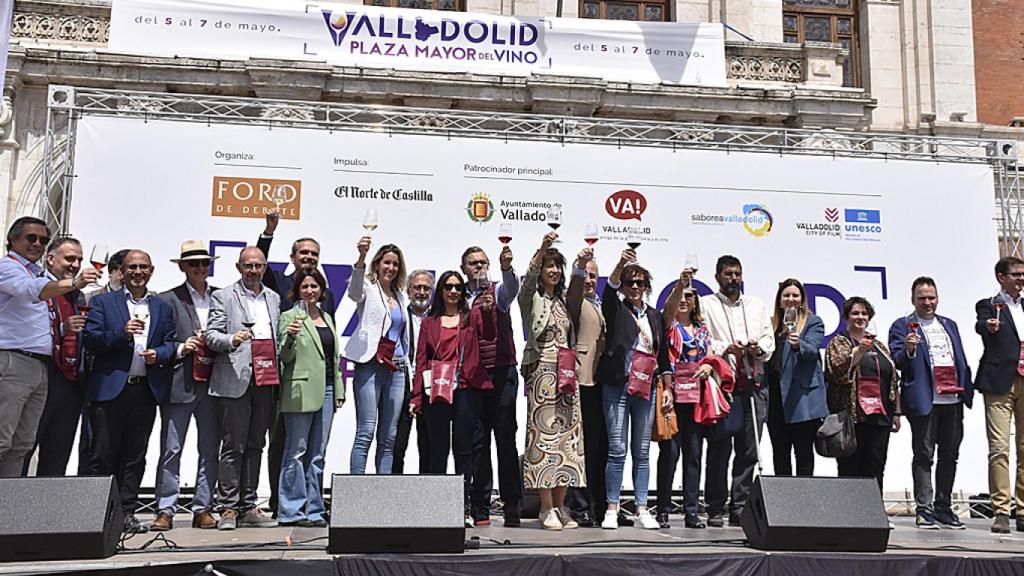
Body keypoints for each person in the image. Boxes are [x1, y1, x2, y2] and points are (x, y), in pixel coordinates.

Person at [82, 249, 176, 534]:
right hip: (110, 389)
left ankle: (126, 513)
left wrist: (157, 354)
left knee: (135, 456)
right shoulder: (103, 302)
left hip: (144, 390)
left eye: (143, 267)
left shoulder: (162, 307)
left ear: (152, 270)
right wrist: (120, 334)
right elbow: (91, 339)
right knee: (102, 454)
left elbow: (171, 344)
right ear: (122, 271)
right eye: (132, 267)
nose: (138, 272)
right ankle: (97, 515)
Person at [0, 217, 99, 477]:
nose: (37, 244)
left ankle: (10, 509)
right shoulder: (9, 267)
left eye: (43, 240)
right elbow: (33, 291)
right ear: (12, 239)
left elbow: (43, 322)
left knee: (21, 445)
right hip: (13, 362)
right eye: (30, 238)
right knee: (2, 440)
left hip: (41, 366)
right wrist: (76, 282)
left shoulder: (39, 275)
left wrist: (65, 328)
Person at [256, 211, 335, 517]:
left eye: (314, 254)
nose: (309, 258)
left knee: (314, 450)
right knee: (282, 443)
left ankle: (312, 506)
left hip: (321, 382)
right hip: (286, 380)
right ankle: (281, 502)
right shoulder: (281, 283)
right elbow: (260, 263)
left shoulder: (324, 295)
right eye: (304, 253)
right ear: (293, 256)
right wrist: (269, 231)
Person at [408, 271, 494, 526]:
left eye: (458, 287)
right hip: (437, 387)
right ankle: (436, 508)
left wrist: (488, 313)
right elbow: (421, 359)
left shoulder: (471, 318)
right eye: (448, 287)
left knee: (463, 450)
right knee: (437, 450)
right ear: (441, 291)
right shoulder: (429, 322)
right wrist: (416, 396)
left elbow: (489, 335)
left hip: (466, 388)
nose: (454, 291)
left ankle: (462, 507)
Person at [889, 276, 973, 530]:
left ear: (938, 298)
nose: (928, 302)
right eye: (922, 298)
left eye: (931, 297)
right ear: (912, 299)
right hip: (924, 399)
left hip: (952, 398)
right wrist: (909, 349)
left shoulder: (949, 324)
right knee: (924, 455)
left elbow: (959, 357)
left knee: (950, 455)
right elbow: (898, 361)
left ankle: (943, 507)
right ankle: (924, 509)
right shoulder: (902, 325)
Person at [206, 247, 281, 530]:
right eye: (248, 266)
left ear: (264, 268)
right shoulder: (223, 296)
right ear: (239, 267)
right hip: (235, 378)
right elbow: (211, 336)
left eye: (258, 266)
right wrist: (232, 340)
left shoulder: (273, 298)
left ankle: (249, 506)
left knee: (256, 444)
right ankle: (228, 508)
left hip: (266, 379)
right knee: (233, 445)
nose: (253, 270)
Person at [598, 247, 670, 530]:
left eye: (640, 283)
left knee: (641, 451)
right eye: (631, 283)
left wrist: (667, 386)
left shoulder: (654, 315)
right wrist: (620, 264)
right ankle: (612, 508)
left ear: (648, 286)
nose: (635, 287)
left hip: (647, 389)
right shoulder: (615, 308)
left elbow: (661, 354)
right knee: (617, 450)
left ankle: (641, 508)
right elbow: (610, 288)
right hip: (618, 385)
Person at [151, 241, 221, 531]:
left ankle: (202, 507)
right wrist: (182, 347)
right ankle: (165, 508)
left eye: (204, 263)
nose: (200, 268)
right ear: (182, 267)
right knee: (171, 448)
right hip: (180, 381)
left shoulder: (221, 296)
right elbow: (160, 341)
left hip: (215, 381)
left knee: (209, 449)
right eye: (194, 264)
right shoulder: (167, 299)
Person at [519, 234, 587, 531]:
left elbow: (577, 287)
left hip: (566, 376)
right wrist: (542, 249)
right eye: (549, 266)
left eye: (558, 266)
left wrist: (580, 266)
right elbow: (528, 279)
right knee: (543, 441)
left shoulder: (563, 301)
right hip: (541, 374)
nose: (554, 271)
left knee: (568, 444)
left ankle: (561, 506)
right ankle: (545, 507)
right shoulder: (531, 297)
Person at [700, 255, 774, 527]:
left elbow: (769, 338)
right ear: (717, 277)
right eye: (728, 274)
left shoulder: (756, 304)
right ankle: (715, 507)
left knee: (749, 450)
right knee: (719, 447)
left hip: (754, 385)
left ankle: (740, 506)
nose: (734, 278)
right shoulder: (706, 304)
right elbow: (703, 339)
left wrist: (758, 348)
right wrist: (726, 347)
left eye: (737, 274)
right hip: (723, 386)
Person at [461, 244, 523, 525]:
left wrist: (506, 267)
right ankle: (480, 508)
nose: (479, 266)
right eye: (473, 263)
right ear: (464, 268)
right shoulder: (458, 296)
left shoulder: (496, 292)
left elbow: (512, 288)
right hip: (472, 376)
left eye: (483, 262)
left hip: (501, 374)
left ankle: (511, 505)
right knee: (478, 443)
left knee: (505, 441)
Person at [277, 268, 344, 527]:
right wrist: (290, 337)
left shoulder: (327, 317)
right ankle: (291, 510)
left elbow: (333, 359)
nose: (310, 291)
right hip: (300, 391)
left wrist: (338, 389)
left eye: (314, 286)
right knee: (296, 451)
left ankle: (315, 509)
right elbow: (285, 356)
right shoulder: (289, 317)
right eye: (305, 286)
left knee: (317, 453)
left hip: (327, 390)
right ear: (297, 290)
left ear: (322, 289)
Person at [656, 270, 717, 529]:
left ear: (695, 302)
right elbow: (668, 309)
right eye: (681, 295)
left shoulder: (702, 329)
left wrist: (709, 367)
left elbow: (711, 355)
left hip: (696, 398)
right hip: (672, 396)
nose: (684, 299)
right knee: (669, 454)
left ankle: (692, 511)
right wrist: (680, 285)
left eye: (689, 296)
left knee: (694, 454)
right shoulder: (669, 325)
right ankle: (663, 510)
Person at [23, 236, 88, 476]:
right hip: (40, 373)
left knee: (58, 453)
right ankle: (12, 508)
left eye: (79, 260)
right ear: (50, 259)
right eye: (70, 258)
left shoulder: (77, 294)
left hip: (69, 381)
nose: (75, 264)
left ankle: (46, 511)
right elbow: (26, 328)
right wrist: (62, 329)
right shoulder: (34, 285)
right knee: (24, 447)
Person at [343, 237, 409, 475]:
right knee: (366, 431)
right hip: (370, 365)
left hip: (397, 367)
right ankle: (356, 492)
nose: (390, 268)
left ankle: (382, 496)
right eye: (386, 263)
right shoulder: (368, 290)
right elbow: (354, 292)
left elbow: (403, 333)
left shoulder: (401, 296)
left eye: (395, 264)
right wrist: (361, 257)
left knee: (389, 437)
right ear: (377, 264)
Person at [825, 297, 901, 494]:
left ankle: (875, 515)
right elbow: (838, 373)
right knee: (851, 467)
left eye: (864, 313)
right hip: (852, 417)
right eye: (855, 313)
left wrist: (897, 413)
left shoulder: (880, 346)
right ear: (846, 317)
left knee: (876, 467)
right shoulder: (839, 342)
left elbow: (892, 380)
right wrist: (858, 352)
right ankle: (850, 516)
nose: (860, 317)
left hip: (880, 414)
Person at [974, 256, 1024, 534]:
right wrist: (988, 326)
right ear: (1001, 277)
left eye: (1023, 274)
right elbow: (982, 325)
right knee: (999, 448)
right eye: (1015, 274)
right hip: (999, 381)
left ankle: (1023, 509)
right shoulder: (990, 304)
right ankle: (1001, 510)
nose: (1021, 279)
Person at [764, 279, 828, 477]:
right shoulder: (771, 325)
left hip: (802, 398)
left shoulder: (812, 322)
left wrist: (797, 344)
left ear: (801, 300)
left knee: (803, 454)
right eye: (786, 295)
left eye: (795, 295)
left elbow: (811, 350)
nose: (790, 299)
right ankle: (784, 503)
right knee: (780, 453)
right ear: (779, 300)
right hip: (776, 398)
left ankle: (805, 503)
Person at [565, 255, 607, 528]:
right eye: (585, 275)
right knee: (578, 448)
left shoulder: (600, 305)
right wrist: (579, 269)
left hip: (601, 384)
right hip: (581, 380)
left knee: (598, 449)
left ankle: (599, 506)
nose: (590, 280)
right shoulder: (575, 301)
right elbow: (575, 291)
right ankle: (578, 506)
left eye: (593, 275)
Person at [392, 270, 434, 475]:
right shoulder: (399, 315)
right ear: (408, 291)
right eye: (417, 287)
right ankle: (394, 494)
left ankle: (425, 497)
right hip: (402, 383)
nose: (421, 292)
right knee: (397, 444)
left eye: (426, 288)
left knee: (428, 446)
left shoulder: (438, 317)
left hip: (429, 386)